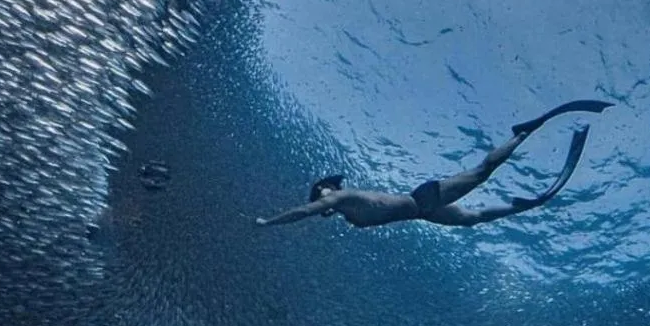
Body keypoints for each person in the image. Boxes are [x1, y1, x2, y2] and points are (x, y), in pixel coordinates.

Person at [256, 99, 613, 230]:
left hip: (421, 199)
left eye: (323, 189)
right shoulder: (346, 212)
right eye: (322, 190)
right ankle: (532, 202)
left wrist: (269, 220)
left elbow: (304, 212)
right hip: (422, 211)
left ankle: (521, 134)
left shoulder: (336, 197)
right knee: (473, 219)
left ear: (326, 190)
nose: (323, 193)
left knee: (480, 173)